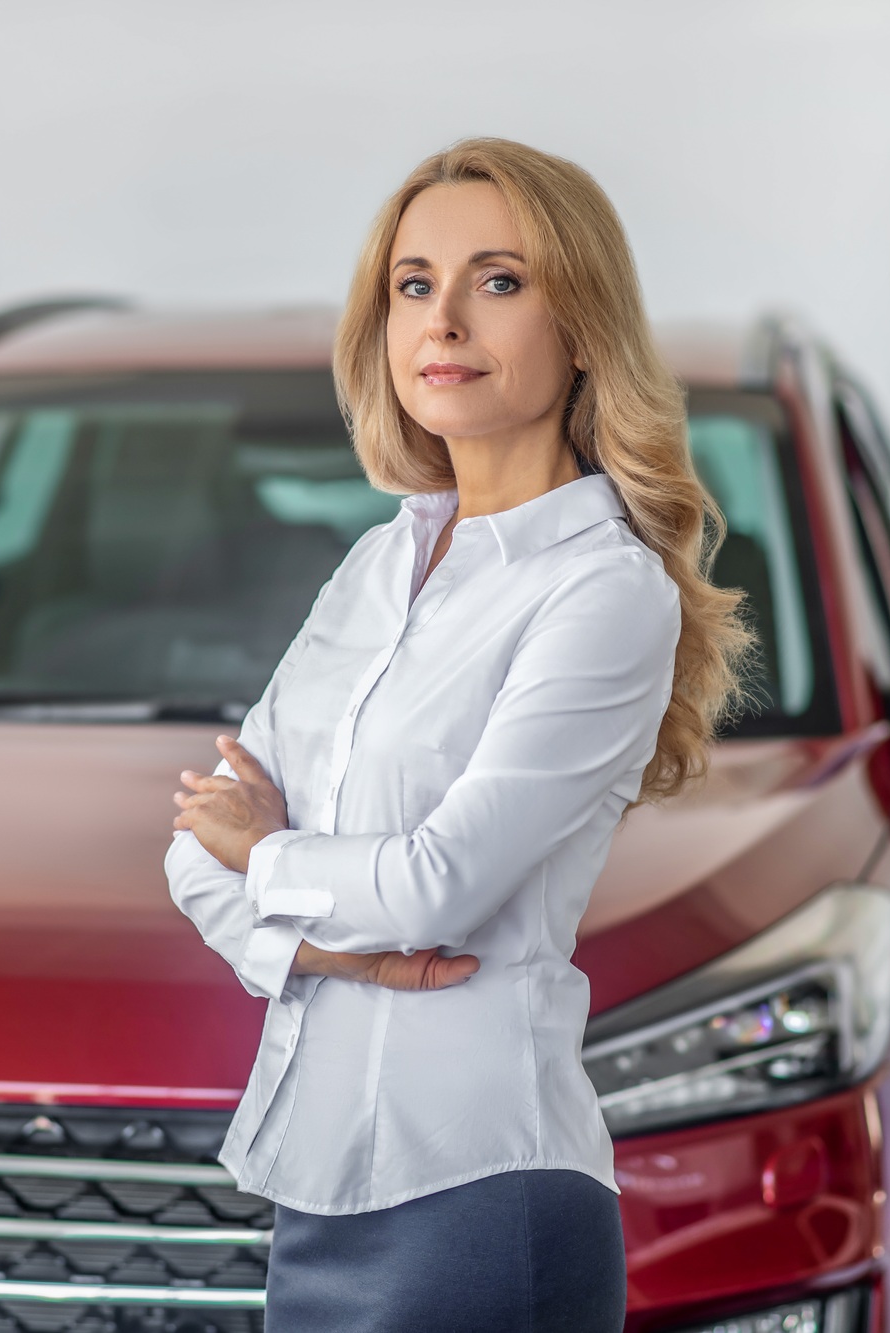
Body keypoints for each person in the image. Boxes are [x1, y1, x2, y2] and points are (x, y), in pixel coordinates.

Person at [165, 137, 749, 1331]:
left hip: (480, 1191)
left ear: (580, 323)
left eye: (497, 280)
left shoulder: (602, 591)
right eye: (412, 285)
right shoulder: (377, 562)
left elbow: (433, 887)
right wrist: (326, 947)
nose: (443, 321)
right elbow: (192, 847)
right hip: (316, 1190)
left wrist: (270, 863)